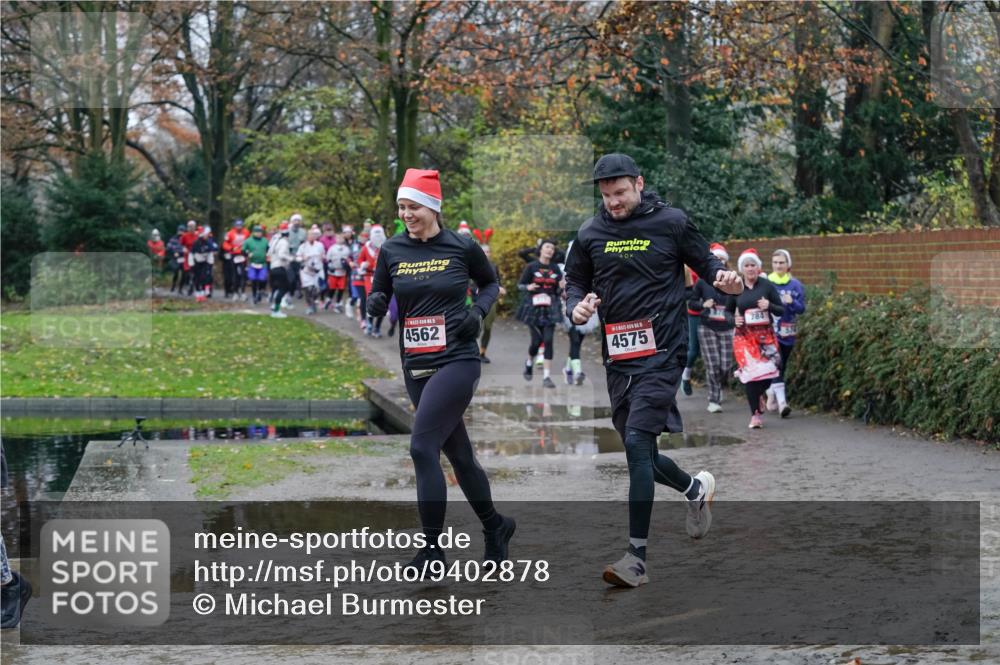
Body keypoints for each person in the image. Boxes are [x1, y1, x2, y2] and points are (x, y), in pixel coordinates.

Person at [565, 153, 742, 588]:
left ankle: (636, 558)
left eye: (621, 193)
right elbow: (574, 281)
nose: (614, 203)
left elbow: (709, 264)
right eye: (606, 196)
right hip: (618, 356)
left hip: (663, 351)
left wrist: (725, 280)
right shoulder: (591, 232)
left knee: (638, 441)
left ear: (639, 184)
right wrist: (577, 306)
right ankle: (695, 489)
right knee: (636, 450)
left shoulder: (672, 222)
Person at [368, 168, 514, 567]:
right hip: (415, 361)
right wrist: (376, 302)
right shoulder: (392, 250)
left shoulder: (461, 246)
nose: (406, 214)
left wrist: (478, 313)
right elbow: (380, 288)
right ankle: (495, 526)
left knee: (421, 447)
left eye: (413, 206)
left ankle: (432, 549)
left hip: (458, 358)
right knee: (461, 456)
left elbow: (491, 284)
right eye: (401, 207)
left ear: (433, 206)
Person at [727, 248, 785, 429]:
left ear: (758, 268)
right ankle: (755, 415)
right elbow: (727, 312)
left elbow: (781, 309)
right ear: (741, 269)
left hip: (765, 336)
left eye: (753, 265)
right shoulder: (736, 288)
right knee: (751, 376)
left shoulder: (767, 286)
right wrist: (733, 320)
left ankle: (760, 394)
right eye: (747, 265)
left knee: (774, 368)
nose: (750, 269)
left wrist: (769, 305)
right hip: (744, 337)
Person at [688, 243, 736, 412]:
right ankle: (714, 400)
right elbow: (692, 303)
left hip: (727, 328)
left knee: (725, 366)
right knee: (712, 364)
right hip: (707, 327)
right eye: (717, 258)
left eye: (723, 259)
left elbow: (740, 302)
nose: (720, 262)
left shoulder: (733, 283)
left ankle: (719, 387)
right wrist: (703, 304)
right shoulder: (702, 282)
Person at [765, 249, 806, 418]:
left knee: (782, 365)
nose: (778, 265)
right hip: (770, 332)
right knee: (777, 365)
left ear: (788, 264)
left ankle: (770, 392)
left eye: (781, 262)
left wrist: (792, 302)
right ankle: (782, 403)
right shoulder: (766, 283)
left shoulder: (795, 285)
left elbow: (801, 309)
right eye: (775, 262)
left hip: (788, 333)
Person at [517, 239, 563, 388]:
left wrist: (562, 288)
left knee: (548, 340)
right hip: (533, 308)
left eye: (552, 248)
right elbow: (520, 285)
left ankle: (546, 377)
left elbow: (558, 290)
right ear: (540, 250)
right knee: (536, 342)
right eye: (547, 247)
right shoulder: (531, 266)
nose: (550, 250)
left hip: (551, 307)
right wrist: (528, 287)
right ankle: (529, 362)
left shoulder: (556, 268)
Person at [559, 241, 596, 385]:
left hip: (588, 309)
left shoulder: (592, 267)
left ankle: (568, 369)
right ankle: (578, 372)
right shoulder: (562, 270)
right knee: (574, 340)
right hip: (569, 308)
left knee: (578, 342)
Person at [476, 242, 504, 363]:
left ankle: (482, 353)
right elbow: (467, 283)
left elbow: (498, 282)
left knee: (488, 328)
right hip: (475, 301)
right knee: (476, 328)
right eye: (484, 252)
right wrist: (475, 289)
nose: (486, 254)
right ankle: (470, 353)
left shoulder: (494, 266)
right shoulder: (473, 265)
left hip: (491, 300)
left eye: (488, 252)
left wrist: (500, 288)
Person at [358, 225, 387, 336]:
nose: (378, 236)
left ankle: (377, 327)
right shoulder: (366, 247)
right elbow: (360, 260)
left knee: (383, 301)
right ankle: (369, 324)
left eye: (380, 234)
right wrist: (363, 264)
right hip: (369, 276)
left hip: (384, 278)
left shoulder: (386, 246)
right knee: (372, 300)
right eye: (376, 234)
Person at [296, 226, 326, 315]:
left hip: (317, 270)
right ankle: (310, 306)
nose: (312, 236)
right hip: (306, 271)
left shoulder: (320, 245)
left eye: (313, 235)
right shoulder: (303, 246)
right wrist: (302, 258)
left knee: (317, 289)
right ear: (307, 236)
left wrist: (322, 257)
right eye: (310, 235)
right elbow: (297, 257)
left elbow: (324, 255)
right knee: (308, 289)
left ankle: (314, 301)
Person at [268, 221, 293, 318]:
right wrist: (292, 259)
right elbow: (282, 255)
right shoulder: (284, 242)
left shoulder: (274, 240)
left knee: (277, 287)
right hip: (280, 267)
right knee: (285, 287)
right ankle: (276, 309)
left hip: (273, 267)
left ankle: (275, 305)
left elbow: (269, 253)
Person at [223, 219, 250, 301]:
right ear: (234, 226)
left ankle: (243, 292)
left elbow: (249, 241)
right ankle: (235, 292)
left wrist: (248, 249)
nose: (239, 227)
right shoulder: (230, 233)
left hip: (243, 255)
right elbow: (225, 243)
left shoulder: (246, 232)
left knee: (243, 274)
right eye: (237, 226)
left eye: (240, 226)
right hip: (234, 255)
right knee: (234, 274)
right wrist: (231, 248)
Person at [324, 233, 351, 313]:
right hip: (333, 271)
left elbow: (349, 258)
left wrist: (346, 263)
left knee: (341, 288)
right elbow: (327, 258)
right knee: (332, 287)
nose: (339, 239)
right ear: (335, 239)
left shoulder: (346, 249)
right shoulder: (332, 248)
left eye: (341, 238)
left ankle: (338, 304)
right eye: (338, 238)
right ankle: (329, 299)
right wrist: (329, 265)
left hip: (342, 271)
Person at [243, 225, 270, 305]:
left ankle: (260, 291)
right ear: (253, 232)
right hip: (252, 263)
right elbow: (243, 250)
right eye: (257, 232)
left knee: (262, 279)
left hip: (263, 263)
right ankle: (254, 295)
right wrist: (247, 253)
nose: (259, 234)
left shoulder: (265, 241)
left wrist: (268, 255)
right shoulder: (248, 241)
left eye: (260, 232)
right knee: (253, 280)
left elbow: (269, 249)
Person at [166, 225, 186, 293]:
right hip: (175, 257)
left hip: (183, 257)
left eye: (182, 231)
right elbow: (168, 248)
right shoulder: (173, 239)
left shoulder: (185, 238)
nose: (181, 232)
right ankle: (173, 286)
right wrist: (173, 252)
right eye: (180, 231)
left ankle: (180, 289)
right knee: (176, 272)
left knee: (184, 274)